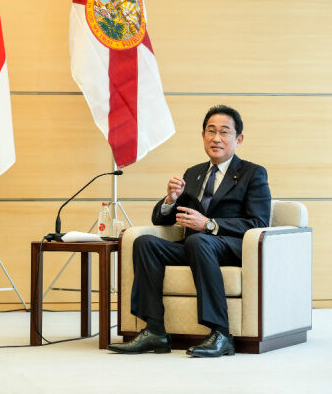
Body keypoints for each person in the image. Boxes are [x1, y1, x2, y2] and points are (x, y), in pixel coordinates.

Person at [108, 105, 271, 357]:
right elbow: (163, 220)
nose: (216, 138)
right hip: (195, 246)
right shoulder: (193, 173)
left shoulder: (253, 173)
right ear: (203, 135)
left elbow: (258, 223)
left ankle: (220, 333)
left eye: (224, 132)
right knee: (145, 243)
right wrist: (170, 200)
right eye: (210, 131)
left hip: (231, 247)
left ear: (238, 139)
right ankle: (155, 332)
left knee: (199, 241)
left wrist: (209, 224)